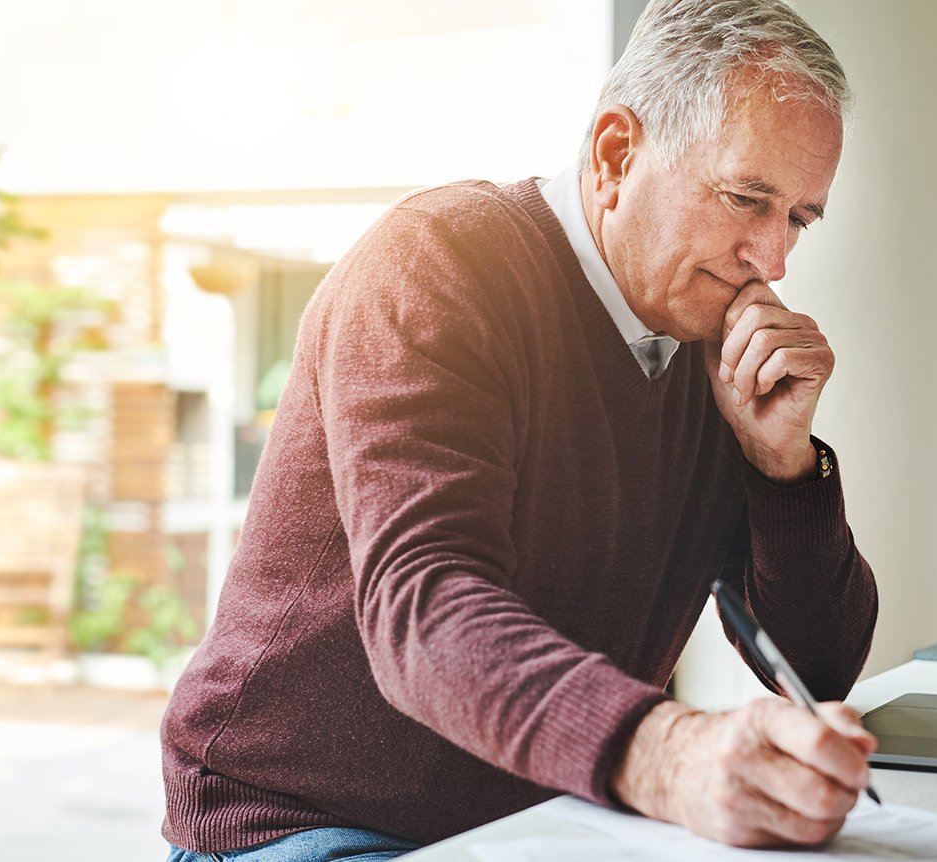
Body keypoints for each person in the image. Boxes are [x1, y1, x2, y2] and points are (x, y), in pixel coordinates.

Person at [160, 1, 878, 858]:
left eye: (797, 217)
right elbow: (423, 606)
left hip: (545, 818)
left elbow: (816, 668)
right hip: (308, 820)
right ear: (616, 155)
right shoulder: (439, 263)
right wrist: (665, 754)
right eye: (745, 198)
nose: (774, 259)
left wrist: (783, 467)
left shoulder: (709, 343)